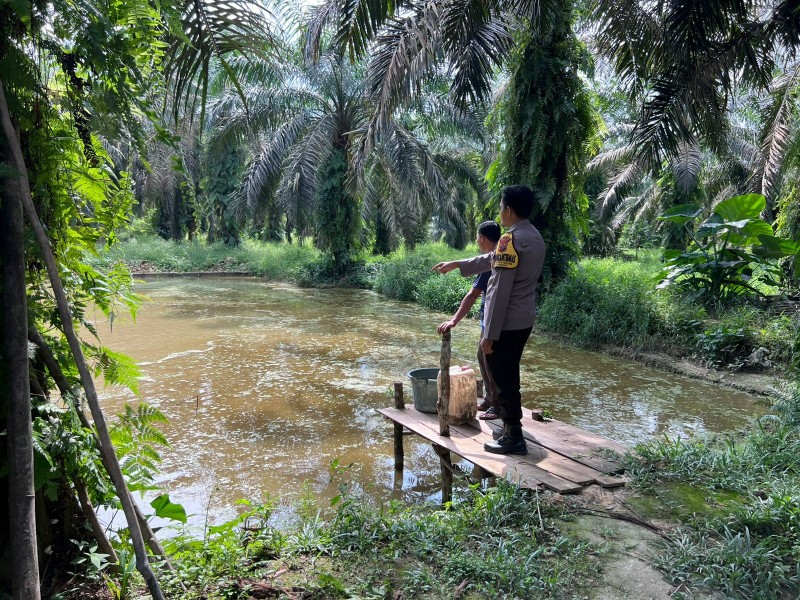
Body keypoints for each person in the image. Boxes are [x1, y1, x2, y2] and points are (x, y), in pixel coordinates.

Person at [431, 185, 545, 455]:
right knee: (509, 374)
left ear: (508, 209)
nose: (500, 213)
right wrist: (459, 263)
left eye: (501, 208)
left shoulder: (510, 239)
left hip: (505, 324)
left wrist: (489, 336)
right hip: (524, 319)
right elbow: (491, 259)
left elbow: (500, 291)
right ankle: (511, 431)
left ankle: (513, 436)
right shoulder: (534, 236)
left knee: (503, 379)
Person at [436, 221, 502, 419]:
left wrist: (454, 320)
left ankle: (497, 404)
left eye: (477, 237)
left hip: (494, 319)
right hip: (491, 317)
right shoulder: (496, 256)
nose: (476, 241)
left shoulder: (492, 262)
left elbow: (472, 295)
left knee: (490, 358)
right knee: (484, 355)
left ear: (482, 238)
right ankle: (491, 398)